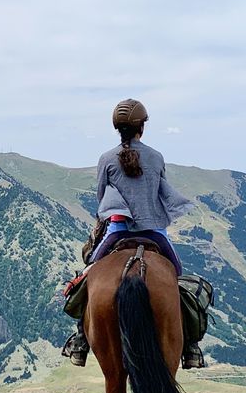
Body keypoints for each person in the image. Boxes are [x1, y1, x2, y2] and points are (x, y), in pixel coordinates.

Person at [62, 98, 207, 369]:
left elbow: (101, 197)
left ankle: (81, 340)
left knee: (88, 276)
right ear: (142, 126)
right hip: (155, 233)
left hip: (117, 231)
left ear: (118, 128)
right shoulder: (156, 157)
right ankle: (190, 346)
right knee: (176, 277)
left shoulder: (106, 159)